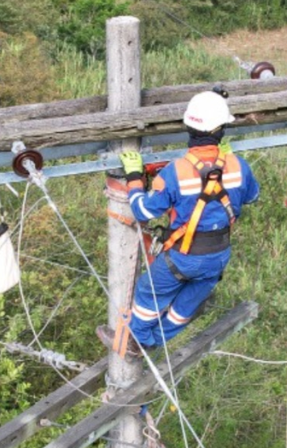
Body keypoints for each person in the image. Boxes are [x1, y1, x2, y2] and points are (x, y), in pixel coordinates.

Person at [98, 89, 260, 356]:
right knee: (186, 304)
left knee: (149, 293)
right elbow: (252, 196)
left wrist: (135, 178)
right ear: (221, 130)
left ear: (189, 128)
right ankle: (156, 339)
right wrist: (231, 165)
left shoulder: (175, 172)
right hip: (218, 256)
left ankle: (136, 341)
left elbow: (142, 211)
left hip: (184, 257)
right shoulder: (238, 166)